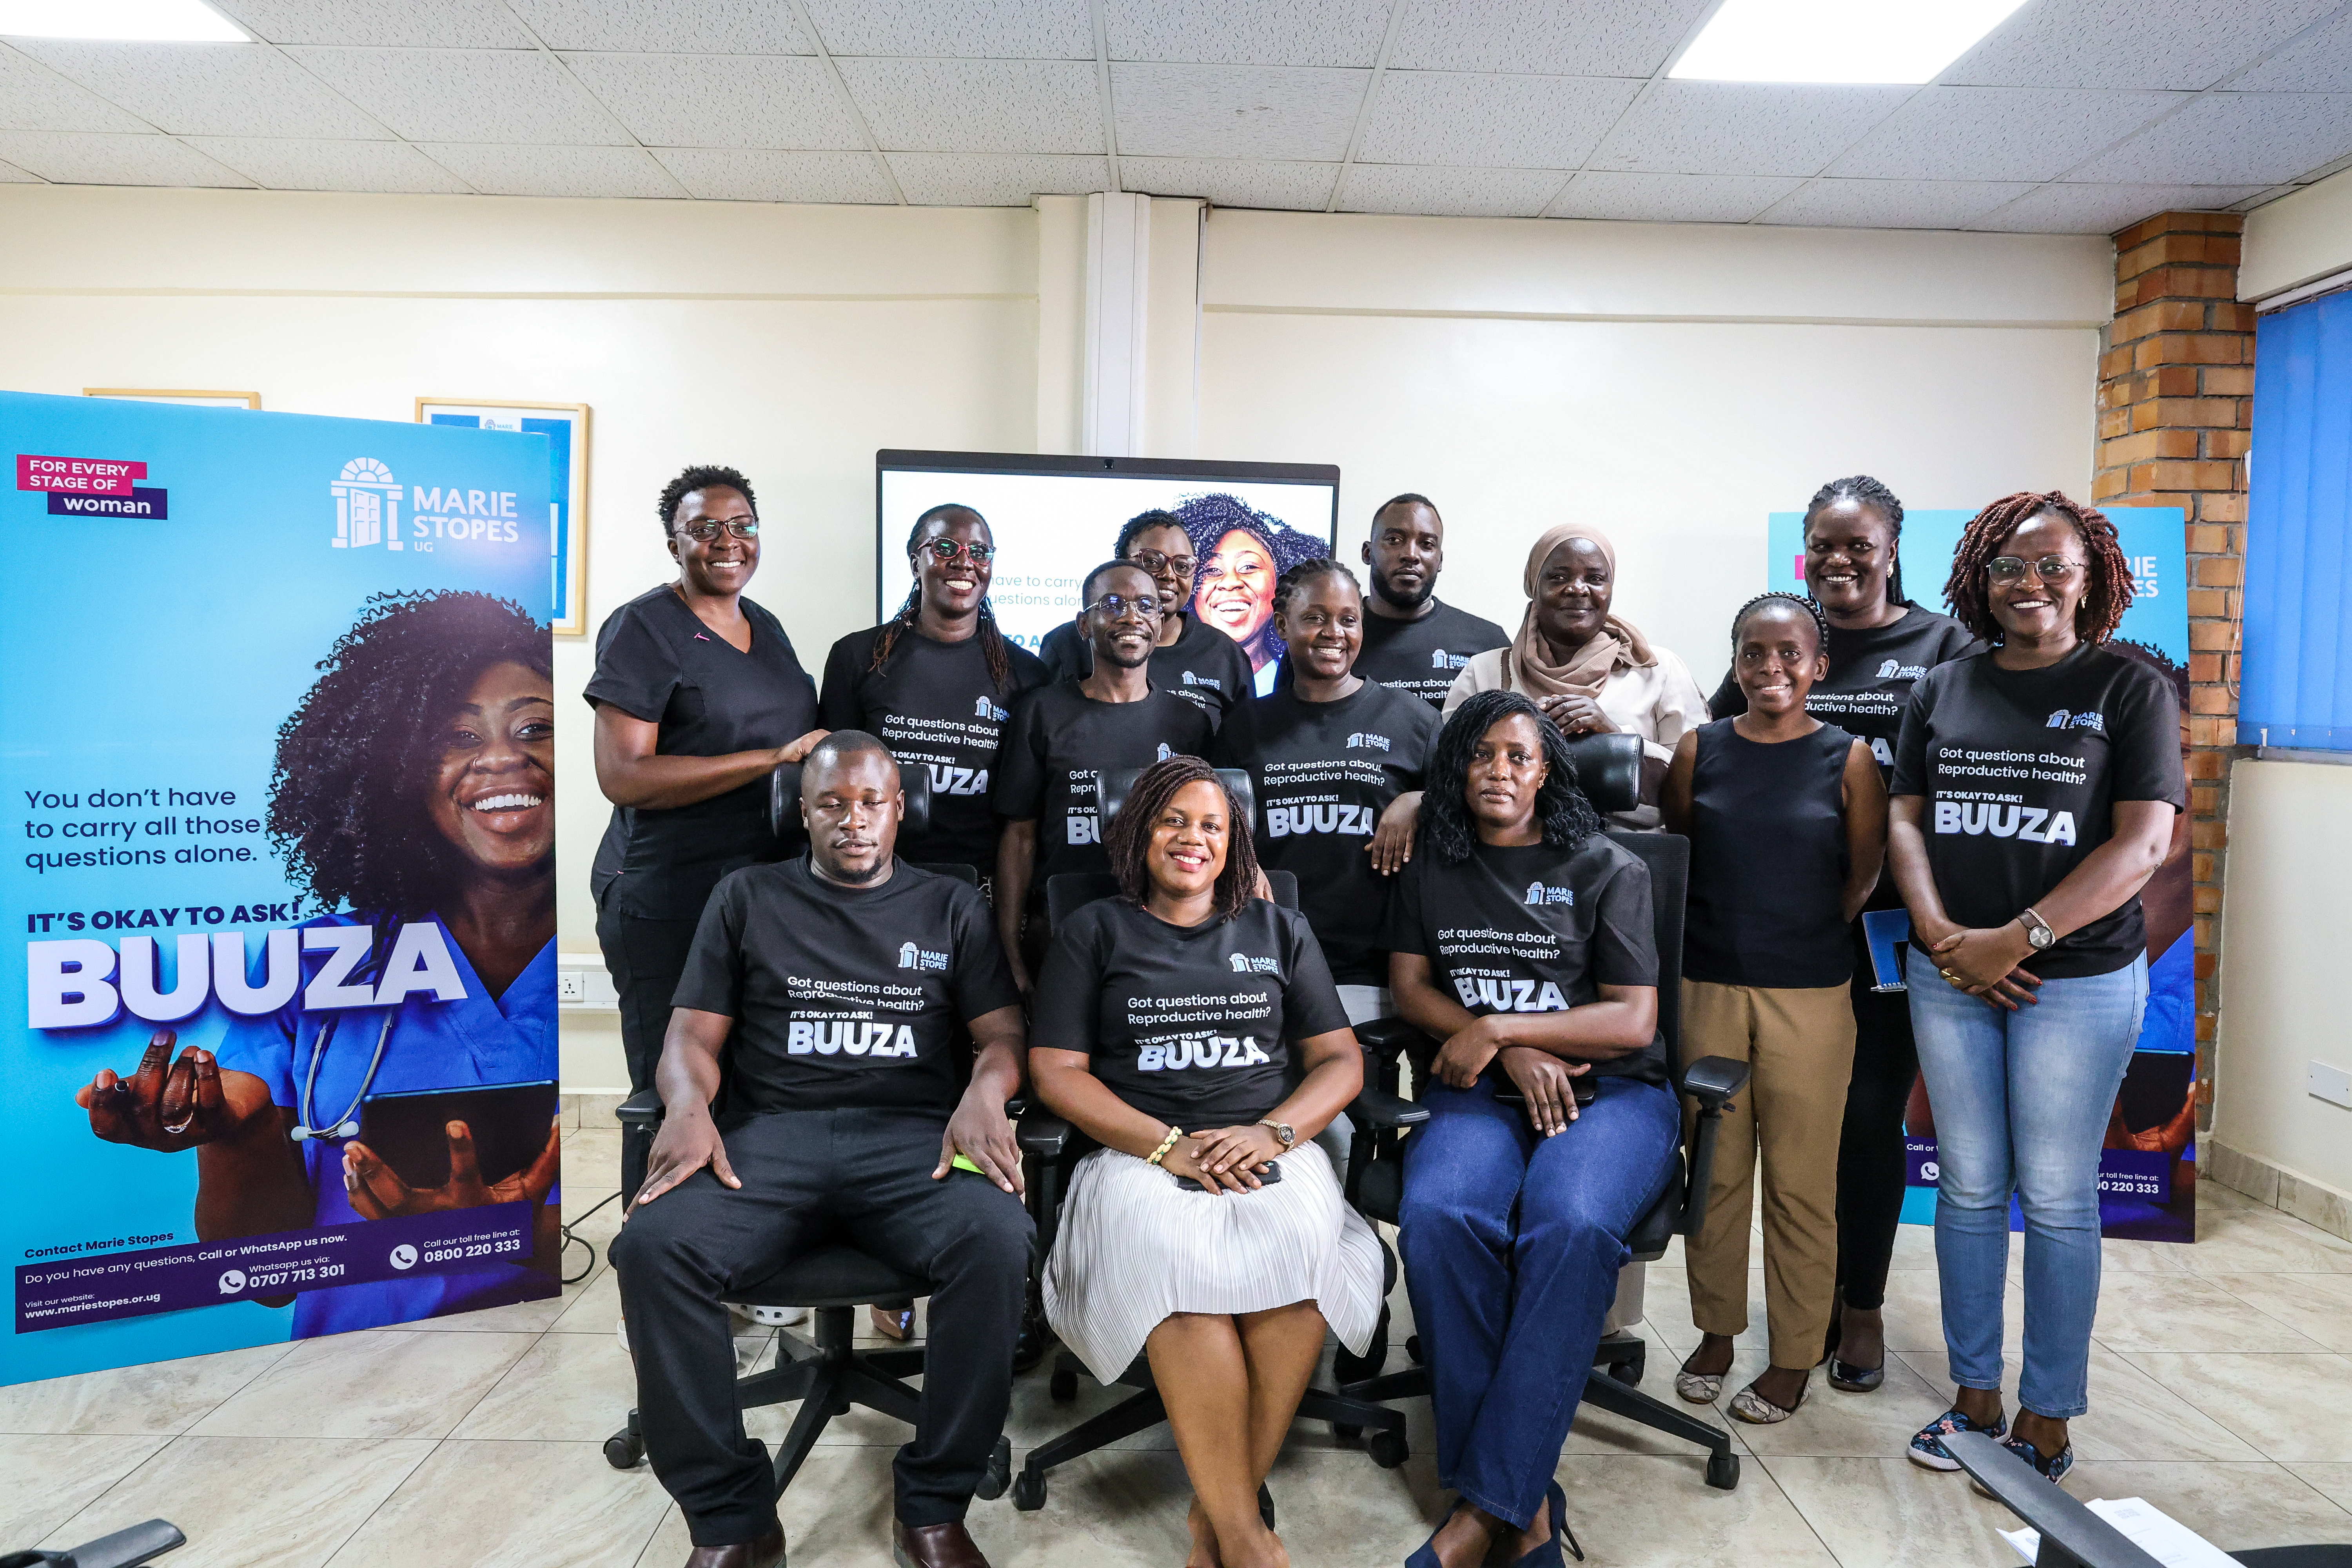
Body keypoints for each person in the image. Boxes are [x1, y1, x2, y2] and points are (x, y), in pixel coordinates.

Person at [74, 591, 562, 1336]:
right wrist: (234, 1138)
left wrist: (508, 1234)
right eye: (457, 737)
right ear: (399, 771)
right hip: (355, 1377)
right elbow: (263, 1276)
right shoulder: (315, 965)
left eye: (537, 728)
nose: (501, 757)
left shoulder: (646, 953)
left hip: (573, 1359)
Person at [613, 733, 1032, 1568]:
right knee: (655, 1247)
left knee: (998, 1238)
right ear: (801, 811)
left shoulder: (952, 904)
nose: (853, 820)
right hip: (770, 1139)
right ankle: (731, 1518)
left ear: (900, 809)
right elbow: (690, 1035)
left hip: (914, 1142)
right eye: (832, 803)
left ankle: (934, 1507)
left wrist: (985, 1096)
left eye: (871, 802)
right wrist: (689, 1107)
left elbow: (1002, 1036)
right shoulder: (746, 895)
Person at [1889, 492, 2183, 1486]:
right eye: (2011, 565)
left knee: (2056, 1195)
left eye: (2054, 565)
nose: (2032, 582)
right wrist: (1942, 936)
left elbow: (2143, 845)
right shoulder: (1943, 686)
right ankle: (1973, 1395)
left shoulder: (2128, 687)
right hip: (1949, 972)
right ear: (1981, 577)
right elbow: (1906, 821)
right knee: (1968, 1183)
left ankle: (2047, 1414)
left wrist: (2017, 938)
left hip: (2077, 977)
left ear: (2090, 578)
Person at [1029, 756, 1380, 1568]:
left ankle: (1214, 1516)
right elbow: (1056, 1071)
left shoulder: (1278, 929)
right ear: (1139, 832)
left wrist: (1275, 1132)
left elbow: (1340, 1059)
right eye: (1174, 820)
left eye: (1212, 826)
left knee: (1301, 1277)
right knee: (1182, 1281)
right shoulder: (1095, 930)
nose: (1193, 838)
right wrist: (1168, 1146)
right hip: (1138, 1152)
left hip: (1265, 1142)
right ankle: (1248, 1539)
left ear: (1234, 844)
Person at [1387, 690, 1678, 1568]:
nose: (1499, 771)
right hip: (1480, 1088)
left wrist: (1504, 1027)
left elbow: (1632, 1019)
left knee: (1571, 1223)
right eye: (1481, 755)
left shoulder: (1607, 866)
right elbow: (1411, 989)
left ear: (1547, 771)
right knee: (1439, 1213)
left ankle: (1482, 1514)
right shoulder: (1433, 865)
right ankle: (1525, 1510)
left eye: (1519, 756)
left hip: (1610, 1093)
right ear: (1455, 770)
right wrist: (1502, 1050)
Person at [1705, 475, 1980, 1392]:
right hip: (1784, 934)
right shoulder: (1780, 636)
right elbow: (1718, 750)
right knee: (1788, 1125)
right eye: (1823, 543)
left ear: (1893, 549)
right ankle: (1805, 1301)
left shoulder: (1942, 647)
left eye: (1858, 544)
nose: (1839, 559)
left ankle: (1859, 1305)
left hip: (1891, 929)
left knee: (1866, 1118)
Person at [1665, 593, 1887, 1424]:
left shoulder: (1847, 757)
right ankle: (1716, 1333)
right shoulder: (1701, 749)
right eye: (1754, 653)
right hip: (1708, 988)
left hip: (1811, 996)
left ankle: (1794, 1354)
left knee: (1801, 1183)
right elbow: (1681, 855)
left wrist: (1801, 932)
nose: (1771, 668)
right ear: (1736, 663)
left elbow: (1862, 873)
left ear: (1818, 665)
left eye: (1790, 653)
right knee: (1714, 1173)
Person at [588, 465, 827, 1093]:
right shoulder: (642, 628)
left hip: (761, 889)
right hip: (668, 892)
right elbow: (623, 775)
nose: (728, 542)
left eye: (743, 526)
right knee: (669, 1090)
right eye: (704, 529)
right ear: (675, 545)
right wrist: (770, 759)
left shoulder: (765, 625)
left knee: (746, 1084)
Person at [1214, 557, 1439, 1030]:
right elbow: (1214, 829)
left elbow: (1463, 815)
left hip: (1375, 970)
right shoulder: (1242, 727)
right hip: (1265, 958)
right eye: (1315, 617)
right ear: (1282, 625)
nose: (1333, 632)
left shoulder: (1414, 721)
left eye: (1348, 620)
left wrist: (1420, 799)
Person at [991, 560, 1213, 993]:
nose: (1131, 617)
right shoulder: (1042, 712)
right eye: (1112, 604)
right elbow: (1019, 839)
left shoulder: (1189, 723)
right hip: (1059, 927)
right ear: (1084, 625)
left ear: (1159, 622)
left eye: (1146, 606)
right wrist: (1010, 954)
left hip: (1161, 935)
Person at [818, 503, 1048, 880]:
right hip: (873, 876)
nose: (964, 562)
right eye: (945, 548)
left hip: (976, 881)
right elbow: (830, 781)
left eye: (979, 552)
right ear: (916, 564)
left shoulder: (1026, 673)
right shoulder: (857, 656)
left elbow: (1022, 817)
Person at [1443, 524, 1706, 829]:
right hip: (1509, 852)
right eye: (1558, 577)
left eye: (1595, 579)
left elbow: (1699, 780)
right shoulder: (1485, 671)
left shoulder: (1658, 669)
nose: (1578, 589)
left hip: (1635, 851)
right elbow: (1448, 773)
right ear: (1533, 584)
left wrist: (1615, 739)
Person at [1039, 508, 1255, 729]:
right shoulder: (1067, 644)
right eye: (1152, 562)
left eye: (1182, 566)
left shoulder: (1225, 655)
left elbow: (1244, 742)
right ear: (1120, 564)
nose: (1169, 575)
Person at [1352, 493, 1510, 710]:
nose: (1411, 555)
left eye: (1427, 544)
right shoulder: (1336, 639)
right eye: (1394, 540)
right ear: (1368, 553)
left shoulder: (1487, 643)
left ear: (1440, 561)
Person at [1176, 492, 1332, 696]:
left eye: (1249, 567)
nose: (1230, 583)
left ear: (1280, 581)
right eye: (1212, 570)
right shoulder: (1163, 677)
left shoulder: (1305, 682)